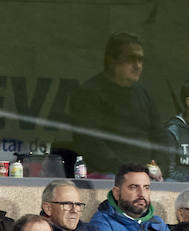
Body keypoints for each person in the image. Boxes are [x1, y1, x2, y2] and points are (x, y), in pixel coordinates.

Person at [65, 33, 164, 174]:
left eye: (140, 60)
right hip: (108, 175)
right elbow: (90, 143)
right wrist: (125, 171)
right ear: (112, 60)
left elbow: (160, 135)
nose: (138, 66)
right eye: (131, 59)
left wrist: (159, 167)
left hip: (146, 173)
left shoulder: (143, 93)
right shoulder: (88, 93)